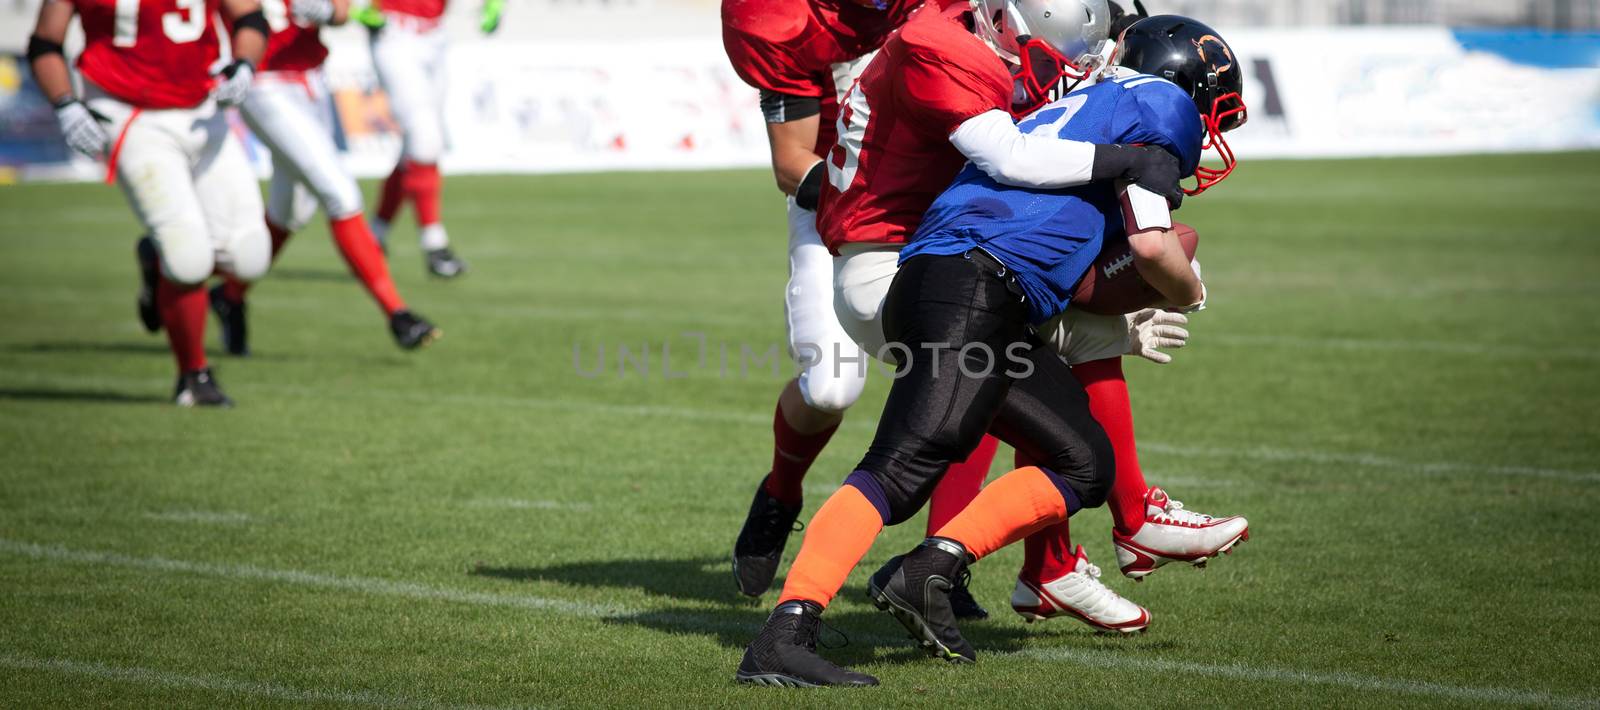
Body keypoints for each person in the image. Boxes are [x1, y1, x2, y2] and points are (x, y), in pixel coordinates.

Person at [866, 11, 1248, 672]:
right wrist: (1190, 291)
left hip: (940, 261)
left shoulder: (1069, 86)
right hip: (965, 273)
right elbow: (1152, 243)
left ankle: (1046, 560)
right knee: (910, 462)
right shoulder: (1158, 102)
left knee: (1059, 426)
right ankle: (1124, 524)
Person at [720, 0, 1006, 619]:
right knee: (829, 386)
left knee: (983, 355)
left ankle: (955, 562)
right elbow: (791, 163)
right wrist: (876, 191)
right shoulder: (776, 18)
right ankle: (780, 492)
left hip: (952, 193)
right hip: (845, 203)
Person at [30, 0, 272, 406]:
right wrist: (66, 104)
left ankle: (155, 263)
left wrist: (244, 64)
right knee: (187, 256)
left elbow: (249, 17)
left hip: (202, 106)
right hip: (128, 108)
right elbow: (45, 43)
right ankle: (192, 375)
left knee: (250, 256)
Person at [202, 0, 441, 356]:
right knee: (340, 194)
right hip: (264, 81)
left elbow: (343, 11)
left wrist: (326, 11)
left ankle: (226, 293)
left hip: (312, 78)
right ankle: (397, 312)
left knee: (292, 212)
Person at [362, 0, 501, 278]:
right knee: (426, 139)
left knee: (414, 148)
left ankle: (373, 239)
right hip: (395, 33)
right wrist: (354, 9)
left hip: (435, 36)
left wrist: (495, 4)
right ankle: (434, 244)